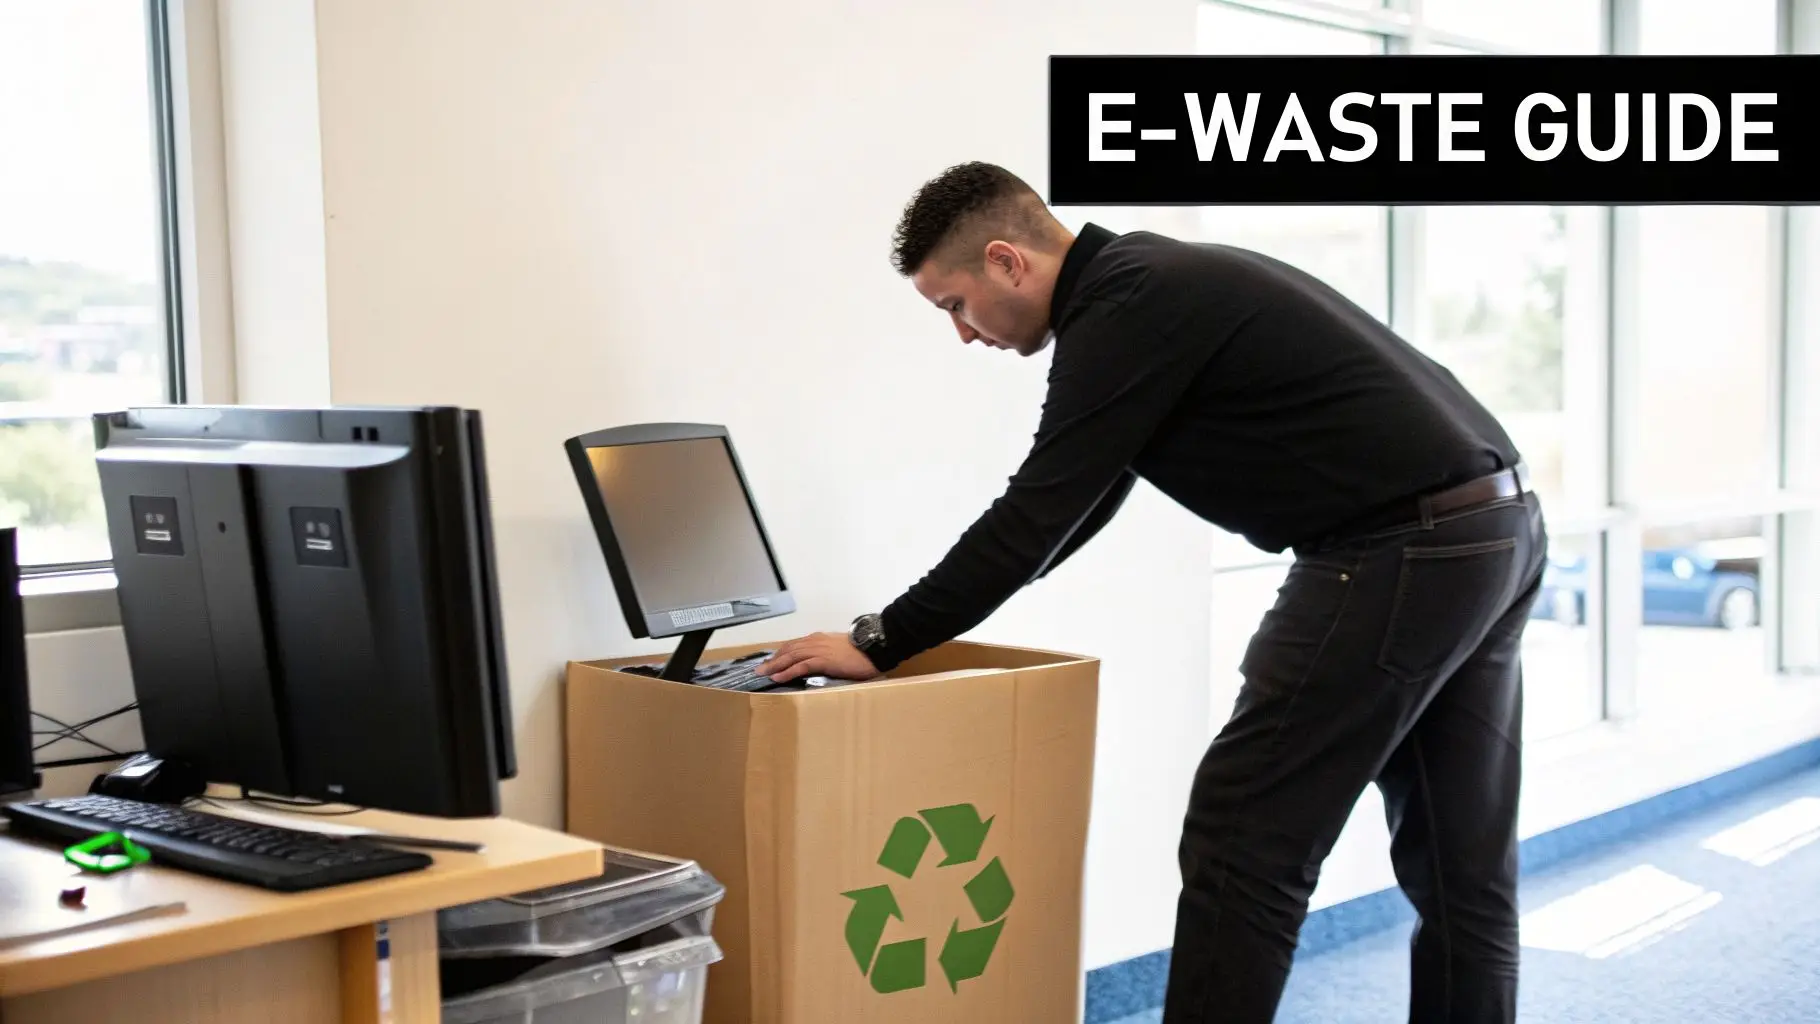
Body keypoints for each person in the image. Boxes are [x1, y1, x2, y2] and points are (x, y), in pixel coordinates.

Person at [754, 161, 1547, 1023]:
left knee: (1243, 840)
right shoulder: (1155, 283)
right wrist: (965, 600)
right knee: (1460, 862)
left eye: (954, 305)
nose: (965, 334)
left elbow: (1038, 507)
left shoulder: (1125, 306)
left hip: (1399, 551)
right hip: (1491, 534)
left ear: (1006, 261)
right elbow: (1076, 506)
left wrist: (878, 640)